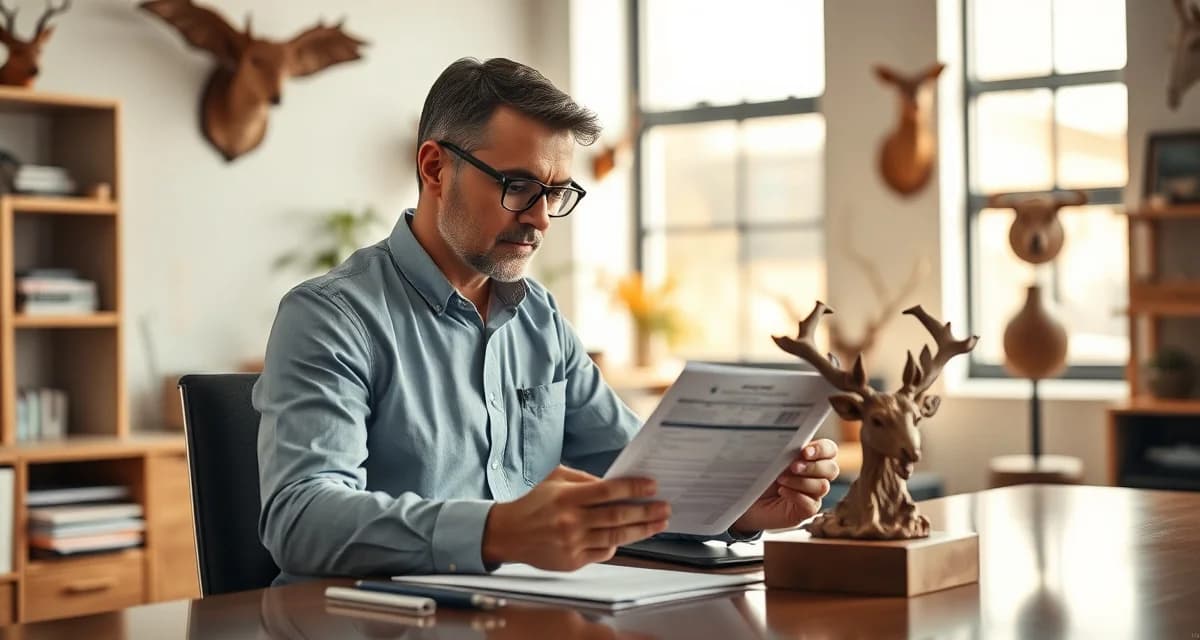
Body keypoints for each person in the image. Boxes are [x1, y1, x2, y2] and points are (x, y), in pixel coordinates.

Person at [254, 56, 839, 582]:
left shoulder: (540, 319)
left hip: (525, 616)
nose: (541, 219)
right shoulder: (331, 317)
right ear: (434, 168)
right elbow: (301, 518)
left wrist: (739, 505)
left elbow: (635, 482)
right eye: (518, 186)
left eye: (556, 193)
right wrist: (498, 530)